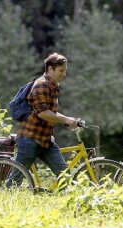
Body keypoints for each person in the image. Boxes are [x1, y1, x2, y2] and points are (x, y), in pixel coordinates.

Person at [9, 52, 79, 185]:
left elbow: (50, 113)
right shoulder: (41, 85)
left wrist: (67, 120)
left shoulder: (53, 86)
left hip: (45, 140)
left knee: (65, 176)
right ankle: (2, 202)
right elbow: (43, 113)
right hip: (30, 138)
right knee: (15, 181)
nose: (64, 74)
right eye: (61, 71)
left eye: (65, 71)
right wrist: (66, 120)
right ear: (50, 69)